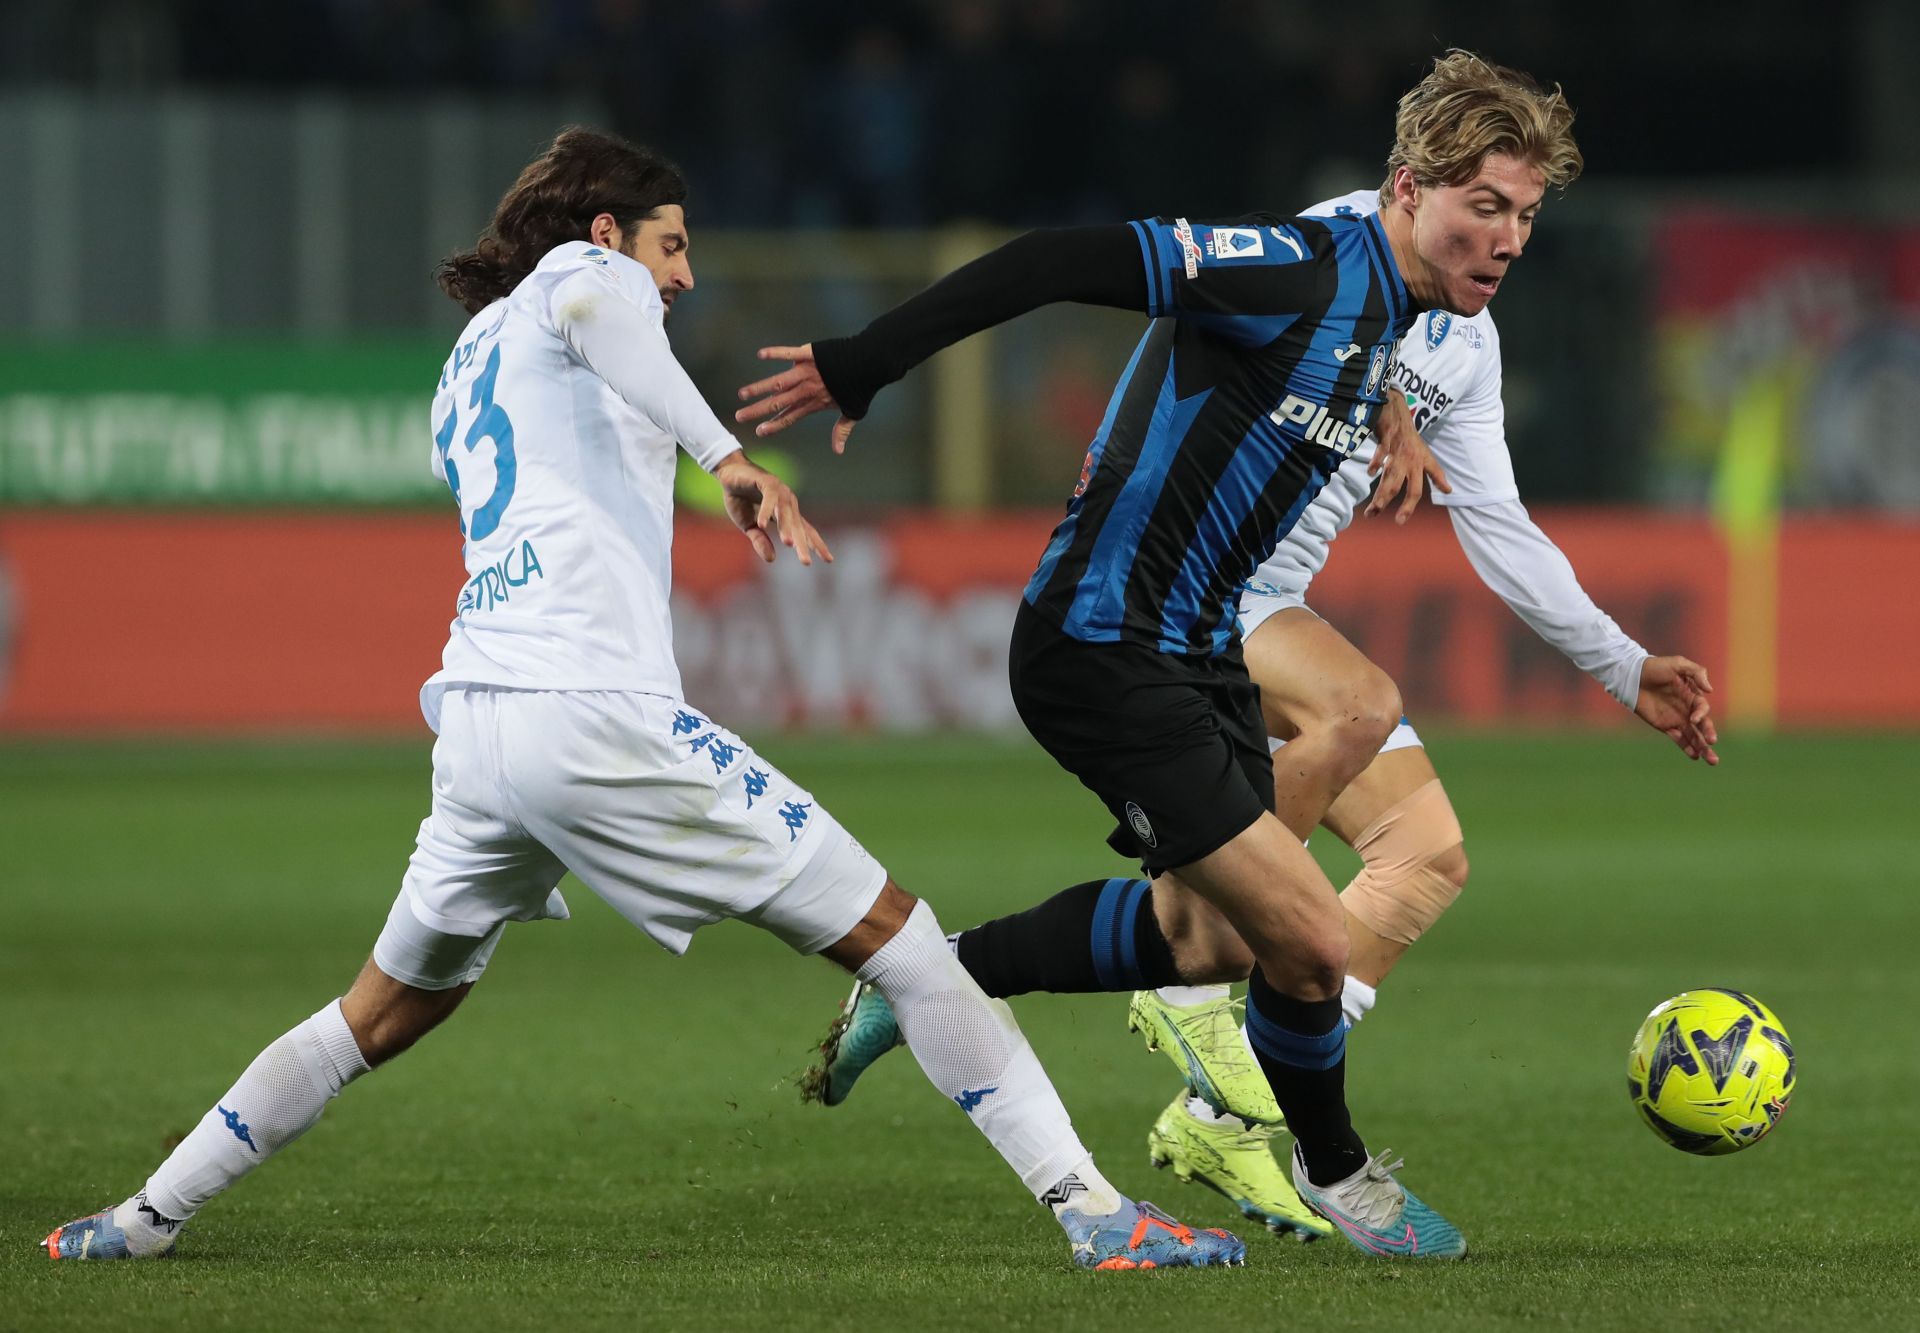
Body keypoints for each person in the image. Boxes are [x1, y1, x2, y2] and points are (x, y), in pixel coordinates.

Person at [41, 128, 1243, 1274]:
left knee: (388, 1006)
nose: (686, 273)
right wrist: (725, 458)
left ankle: (147, 1213)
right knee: (910, 946)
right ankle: (1097, 1216)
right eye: (673, 246)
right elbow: (593, 307)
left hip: (478, 726)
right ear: (610, 231)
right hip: (588, 712)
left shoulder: (465, 362)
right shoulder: (583, 275)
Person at [738, 47, 1593, 1264]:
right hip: (1101, 641)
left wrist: (1392, 408)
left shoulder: (1394, 321)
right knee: (1311, 937)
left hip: (1200, 655)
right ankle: (1340, 1175)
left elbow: (1357, 362)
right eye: (1483, 206)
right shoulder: (1292, 268)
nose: (1506, 238)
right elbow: (1051, 261)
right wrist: (866, 357)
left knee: (1211, 941)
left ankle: (931, 975)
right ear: (1406, 190)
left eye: (1524, 214)